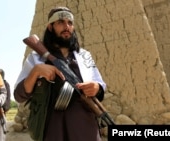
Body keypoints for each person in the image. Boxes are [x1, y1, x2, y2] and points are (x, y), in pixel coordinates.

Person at [14, 6, 106, 141]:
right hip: (52, 129)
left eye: (70, 23)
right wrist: (36, 71)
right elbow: (19, 95)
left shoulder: (84, 55)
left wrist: (96, 87)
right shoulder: (36, 58)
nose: (66, 26)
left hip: (85, 128)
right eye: (60, 22)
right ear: (50, 27)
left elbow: (100, 84)